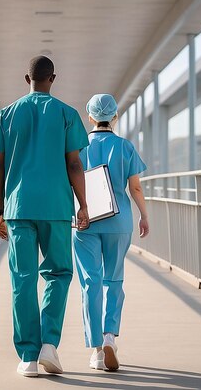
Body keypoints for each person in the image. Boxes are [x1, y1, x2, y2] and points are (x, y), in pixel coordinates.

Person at [0, 56, 90, 378]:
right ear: (52, 78)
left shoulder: (6, 114)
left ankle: (28, 357)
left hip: (18, 209)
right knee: (58, 273)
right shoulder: (67, 114)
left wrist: (1, 211)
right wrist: (83, 204)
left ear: (26, 78)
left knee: (23, 280)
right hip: (57, 207)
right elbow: (74, 164)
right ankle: (49, 345)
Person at [73, 93, 150, 372]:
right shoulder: (125, 146)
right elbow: (136, 187)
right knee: (113, 279)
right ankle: (109, 337)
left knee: (90, 283)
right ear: (114, 117)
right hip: (119, 223)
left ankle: (96, 351)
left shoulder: (78, 148)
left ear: (90, 117)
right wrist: (143, 215)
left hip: (86, 222)